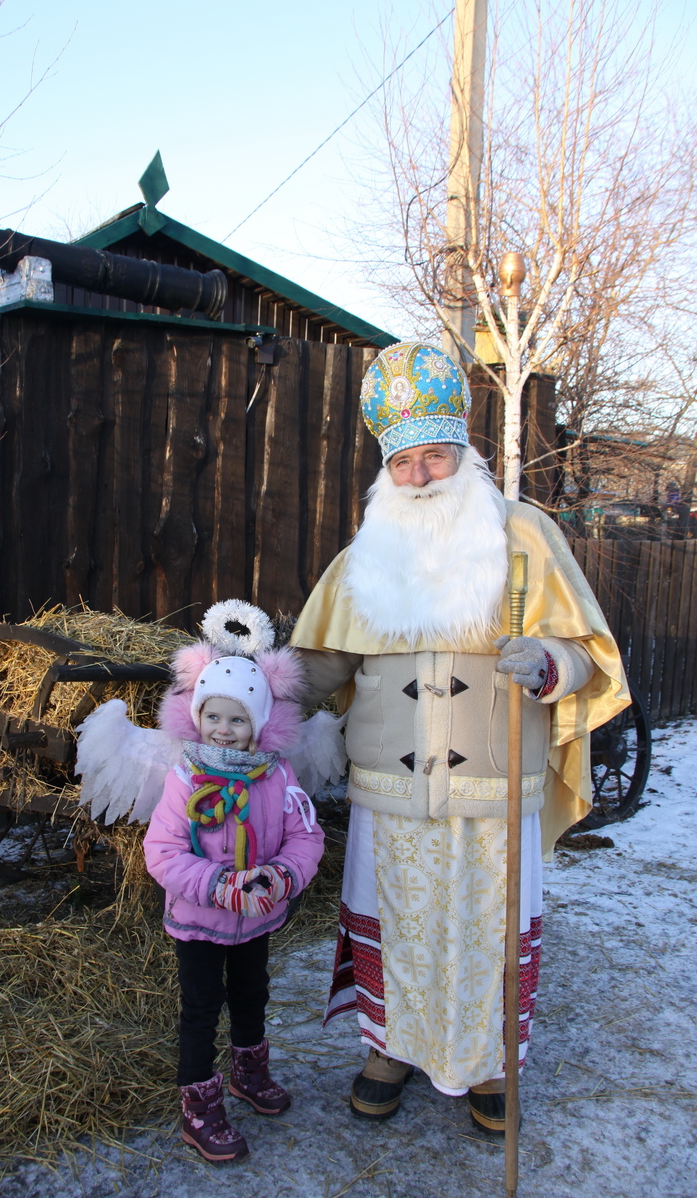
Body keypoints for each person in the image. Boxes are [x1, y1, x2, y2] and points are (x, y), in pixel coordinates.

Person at [290, 340, 628, 1133]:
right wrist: (248, 687)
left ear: (464, 453)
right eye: (404, 463)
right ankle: (391, 1050)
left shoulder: (526, 537)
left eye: (435, 458)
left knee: (485, 932)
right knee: (395, 920)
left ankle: (487, 1065)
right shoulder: (361, 557)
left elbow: (592, 656)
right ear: (386, 470)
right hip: (392, 791)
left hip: (494, 785)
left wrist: (549, 660)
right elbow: (321, 661)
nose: (420, 477)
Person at [143, 602, 325, 1163]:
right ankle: (199, 1103)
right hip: (200, 920)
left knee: (252, 993)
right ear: (196, 718)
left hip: (258, 915)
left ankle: (249, 1070)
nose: (224, 730)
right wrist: (217, 884)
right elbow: (162, 852)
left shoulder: (278, 778)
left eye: (238, 720)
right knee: (201, 1006)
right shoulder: (184, 779)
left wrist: (283, 875)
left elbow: (307, 837)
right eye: (214, 717)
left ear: (260, 726)